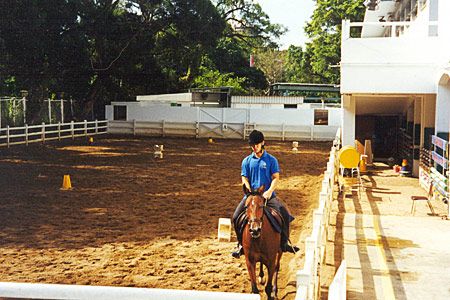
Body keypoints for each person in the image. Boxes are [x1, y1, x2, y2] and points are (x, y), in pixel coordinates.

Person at [232, 130, 300, 258]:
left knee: (284, 213)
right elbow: (244, 177)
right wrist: (248, 189)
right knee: (236, 217)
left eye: (256, 144)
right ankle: (240, 244)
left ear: (262, 143)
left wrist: (269, 191)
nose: (254, 147)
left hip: (267, 196)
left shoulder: (271, 160)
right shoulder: (246, 161)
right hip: (251, 197)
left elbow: (276, 177)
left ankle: (284, 243)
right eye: (252, 145)